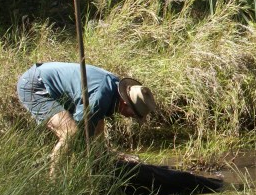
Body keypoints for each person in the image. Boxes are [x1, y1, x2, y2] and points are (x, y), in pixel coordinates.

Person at [16, 62, 157, 167]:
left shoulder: (112, 90)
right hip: (35, 85)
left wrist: (103, 152)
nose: (130, 117)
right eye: (133, 114)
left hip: (54, 86)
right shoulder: (100, 98)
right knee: (70, 133)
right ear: (126, 103)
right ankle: (55, 183)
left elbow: (96, 125)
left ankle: (98, 160)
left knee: (97, 127)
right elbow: (82, 132)